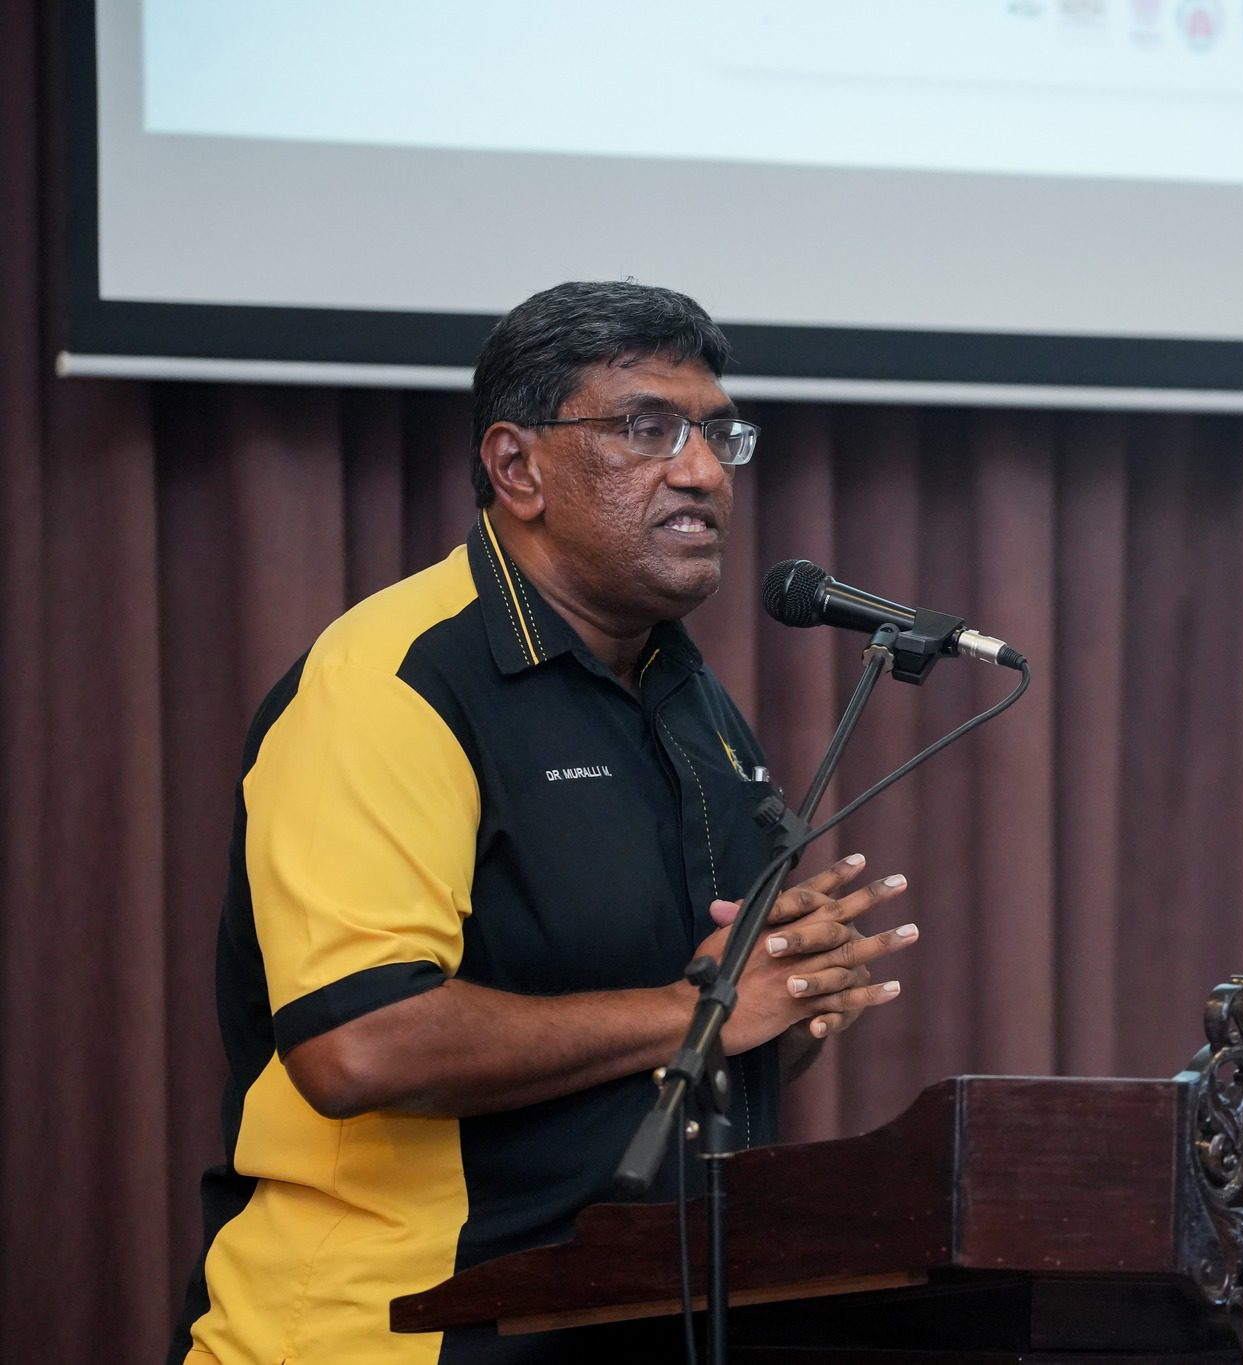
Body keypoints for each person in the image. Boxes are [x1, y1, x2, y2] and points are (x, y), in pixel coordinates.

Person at [167, 281, 919, 1365]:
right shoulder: (392, 683)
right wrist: (693, 1004)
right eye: (645, 427)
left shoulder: (696, 706)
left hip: (621, 1324)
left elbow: (670, 1060)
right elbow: (357, 1043)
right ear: (516, 467)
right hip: (392, 1333)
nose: (702, 470)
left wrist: (781, 1014)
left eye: (718, 433)